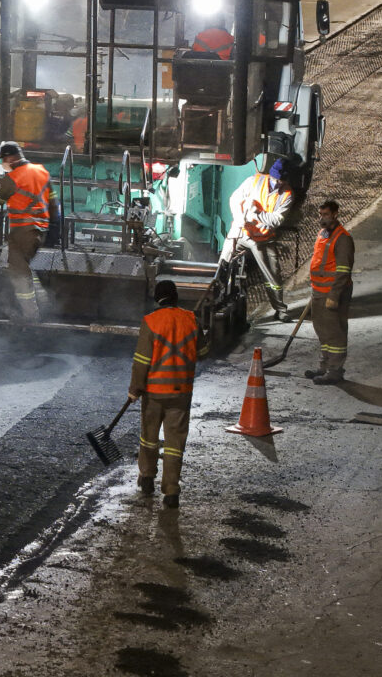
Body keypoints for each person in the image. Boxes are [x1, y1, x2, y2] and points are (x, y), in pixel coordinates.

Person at [129, 279, 205, 509]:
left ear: (156, 298)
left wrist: (134, 389)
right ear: (176, 297)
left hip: (153, 393)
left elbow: (141, 361)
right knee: (175, 443)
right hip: (181, 392)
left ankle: (147, 478)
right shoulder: (192, 320)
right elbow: (203, 350)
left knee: (149, 438)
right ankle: (171, 491)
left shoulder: (150, 322)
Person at [218, 158, 295, 321]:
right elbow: (234, 199)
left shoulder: (287, 195)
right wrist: (239, 218)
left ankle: (280, 309)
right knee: (222, 264)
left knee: (273, 275)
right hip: (241, 232)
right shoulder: (253, 181)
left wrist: (256, 215)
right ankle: (216, 297)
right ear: (271, 174)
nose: (277, 183)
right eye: (275, 179)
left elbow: (276, 220)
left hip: (264, 239)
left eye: (280, 180)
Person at [0, 141, 56, 321]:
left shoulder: (12, 178)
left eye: (4, 158)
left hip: (22, 231)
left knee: (18, 271)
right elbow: (53, 203)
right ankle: (44, 302)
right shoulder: (42, 171)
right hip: (40, 230)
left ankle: (31, 316)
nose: (4, 162)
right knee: (26, 268)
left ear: (11, 157)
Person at [304, 200, 354, 385]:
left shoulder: (343, 239)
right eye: (320, 214)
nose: (321, 218)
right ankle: (324, 367)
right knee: (323, 332)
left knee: (335, 333)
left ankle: (335, 371)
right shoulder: (322, 234)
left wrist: (333, 296)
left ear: (335, 214)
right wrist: (315, 290)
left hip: (333, 294)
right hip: (319, 291)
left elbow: (343, 271)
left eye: (325, 215)